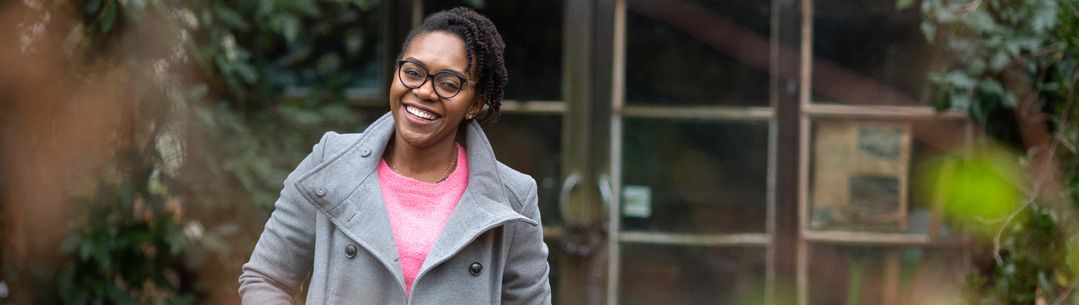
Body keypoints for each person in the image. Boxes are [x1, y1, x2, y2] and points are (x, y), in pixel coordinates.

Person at [238, 7, 552, 304]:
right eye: (413, 72)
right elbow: (267, 278)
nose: (425, 91)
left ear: (474, 104)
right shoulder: (331, 164)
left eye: (448, 83)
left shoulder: (511, 197)